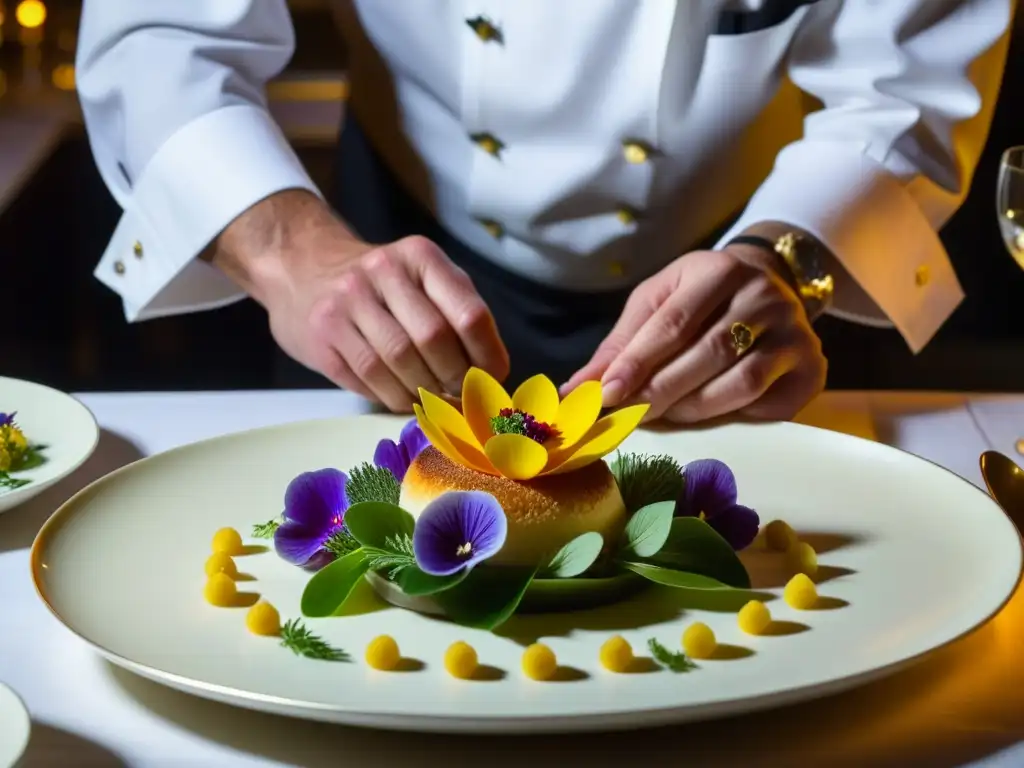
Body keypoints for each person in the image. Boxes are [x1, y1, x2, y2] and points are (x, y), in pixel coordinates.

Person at [75, 1, 1014, 423]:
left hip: (730, 275)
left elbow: (905, 89)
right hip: (382, 253)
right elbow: (161, 33)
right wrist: (290, 253)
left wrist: (785, 264)